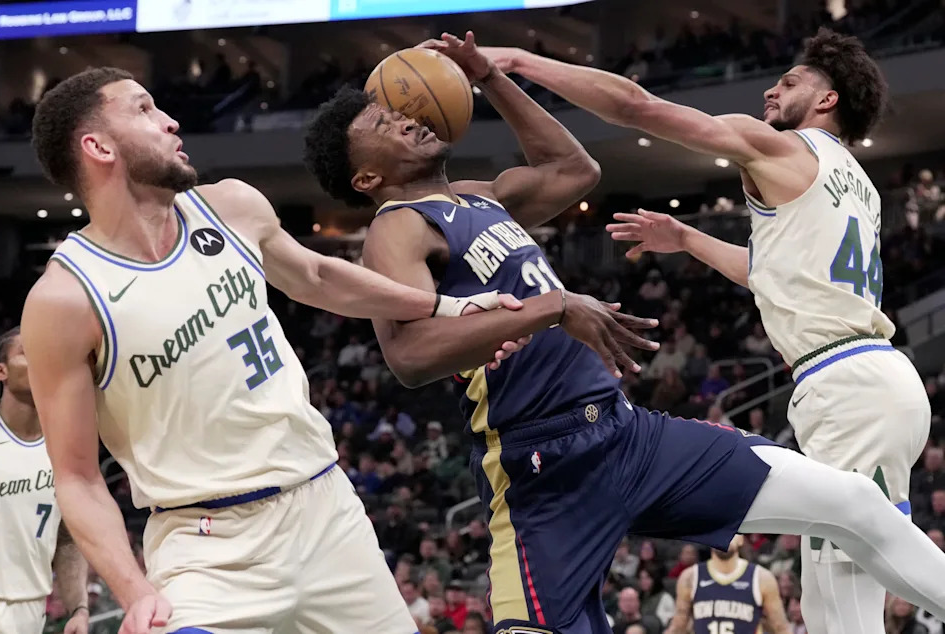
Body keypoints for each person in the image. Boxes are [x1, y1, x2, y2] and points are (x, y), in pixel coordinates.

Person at [304, 30, 945, 634]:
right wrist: (553, 307)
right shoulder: (397, 226)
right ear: (365, 179)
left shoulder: (479, 198)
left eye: (400, 110)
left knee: (855, 517)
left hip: (628, 430)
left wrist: (499, 74)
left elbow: (574, 170)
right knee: (852, 537)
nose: (409, 117)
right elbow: (409, 357)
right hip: (544, 464)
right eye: (387, 121)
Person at [20, 67, 528, 634]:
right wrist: (134, 591)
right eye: (142, 110)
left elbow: (315, 274)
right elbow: (78, 479)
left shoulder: (230, 204)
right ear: (98, 146)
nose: (170, 119)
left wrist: (444, 307)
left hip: (325, 509)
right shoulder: (63, 300)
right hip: (207, 549)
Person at [484, 27, 932, 634]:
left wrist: (517, 60)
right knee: (847, 577)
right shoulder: (859, 184)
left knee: (840, 592)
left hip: (849, 383)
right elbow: (778, 275)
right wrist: (687, 238)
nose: (772, 90)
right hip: (877, 377)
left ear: (827, 101)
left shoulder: (784, 149)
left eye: (792, 81)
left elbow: (638, 107)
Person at [0, 327, 89, 634]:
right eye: (26, 353)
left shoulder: (66, 443)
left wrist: (79, 609)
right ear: (0, 371)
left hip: (31, 616)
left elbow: (68, 539)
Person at [667, 535, 789, 634]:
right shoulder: (691, 576)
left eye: (731, 531)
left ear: (741, 539)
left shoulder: (761, 577)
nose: (724, 537)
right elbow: (678, 627)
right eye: (719, 532)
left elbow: (780, 627)